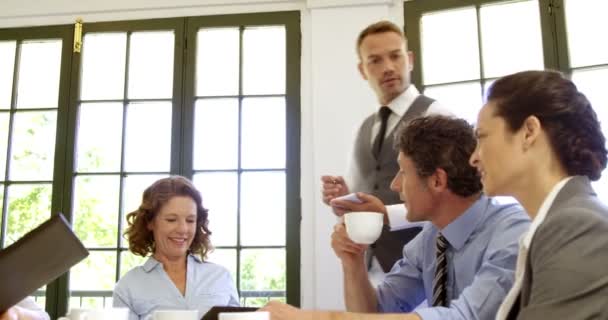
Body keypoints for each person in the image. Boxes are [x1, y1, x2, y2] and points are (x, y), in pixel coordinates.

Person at [264, 115, 530, 320]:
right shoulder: (431, 238)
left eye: (403, 172)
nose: (394, 185)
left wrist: (309, 317)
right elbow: (375, 312)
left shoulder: (512, 234)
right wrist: (353, 261)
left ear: (437, 180)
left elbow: (461, 318)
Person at [469, 70, 608, 319]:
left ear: (529, 131)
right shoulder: (561, 221)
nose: (474, 157)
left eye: (481, 136)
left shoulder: (575, 226)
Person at [321, 20, 451, 281]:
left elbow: (454, 199)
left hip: (427, 269)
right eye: (375, 60)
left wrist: (386, 214)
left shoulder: (437, 116)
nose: (389, 67)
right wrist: (344, 197)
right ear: (362, 70)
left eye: (395, 56)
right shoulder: (363, 128)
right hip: (371, 270)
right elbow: (363, 193)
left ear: (410, 59)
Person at [113, 176, 239, 320]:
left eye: (190, 220)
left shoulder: (220, 277)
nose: (183, 229)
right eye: (171, 220)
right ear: (150, 222)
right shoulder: (128, 287)